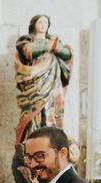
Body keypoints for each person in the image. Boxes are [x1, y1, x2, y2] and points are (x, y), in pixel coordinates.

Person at [15, 15, 73, 144]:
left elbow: (67, 54)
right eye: (40, 22)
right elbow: (28, 51)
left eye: (46, 22)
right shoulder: (27, 41)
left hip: (53, 82)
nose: (43, 25)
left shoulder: (54, 41)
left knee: (51, 109)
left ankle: (51, 140)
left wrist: (56, 47)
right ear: (34, 24)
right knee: (35, 112)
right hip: (35, 81)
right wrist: (48, 47)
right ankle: (33, 139)